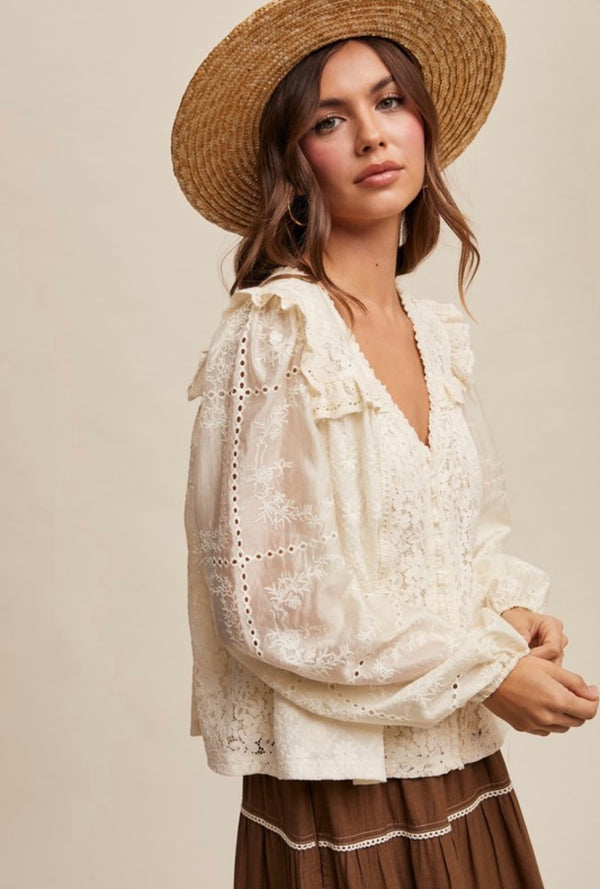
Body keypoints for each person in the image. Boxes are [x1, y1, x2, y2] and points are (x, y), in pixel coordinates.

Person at [171, 1, 599, 886]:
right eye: (330, 120)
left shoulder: (434, 335)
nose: (372, 134)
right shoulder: (277, 333)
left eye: (389, 100)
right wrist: (485, 672)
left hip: (463, 764)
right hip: (344, 789)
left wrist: (509, 620)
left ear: (422, 124)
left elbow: (458, 543)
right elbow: (271, 604)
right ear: (294, 164)